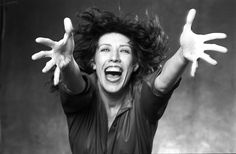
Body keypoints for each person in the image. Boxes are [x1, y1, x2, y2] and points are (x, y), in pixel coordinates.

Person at [31, 7, 227, 154]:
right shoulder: (83, 95)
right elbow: (75, 85)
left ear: (134, 64)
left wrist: (182, 55)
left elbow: (161, 84)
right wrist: (67, 63)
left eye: (124, 51)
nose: (114, 57)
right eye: (105, 49)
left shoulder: (142, 99)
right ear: (93, 61)